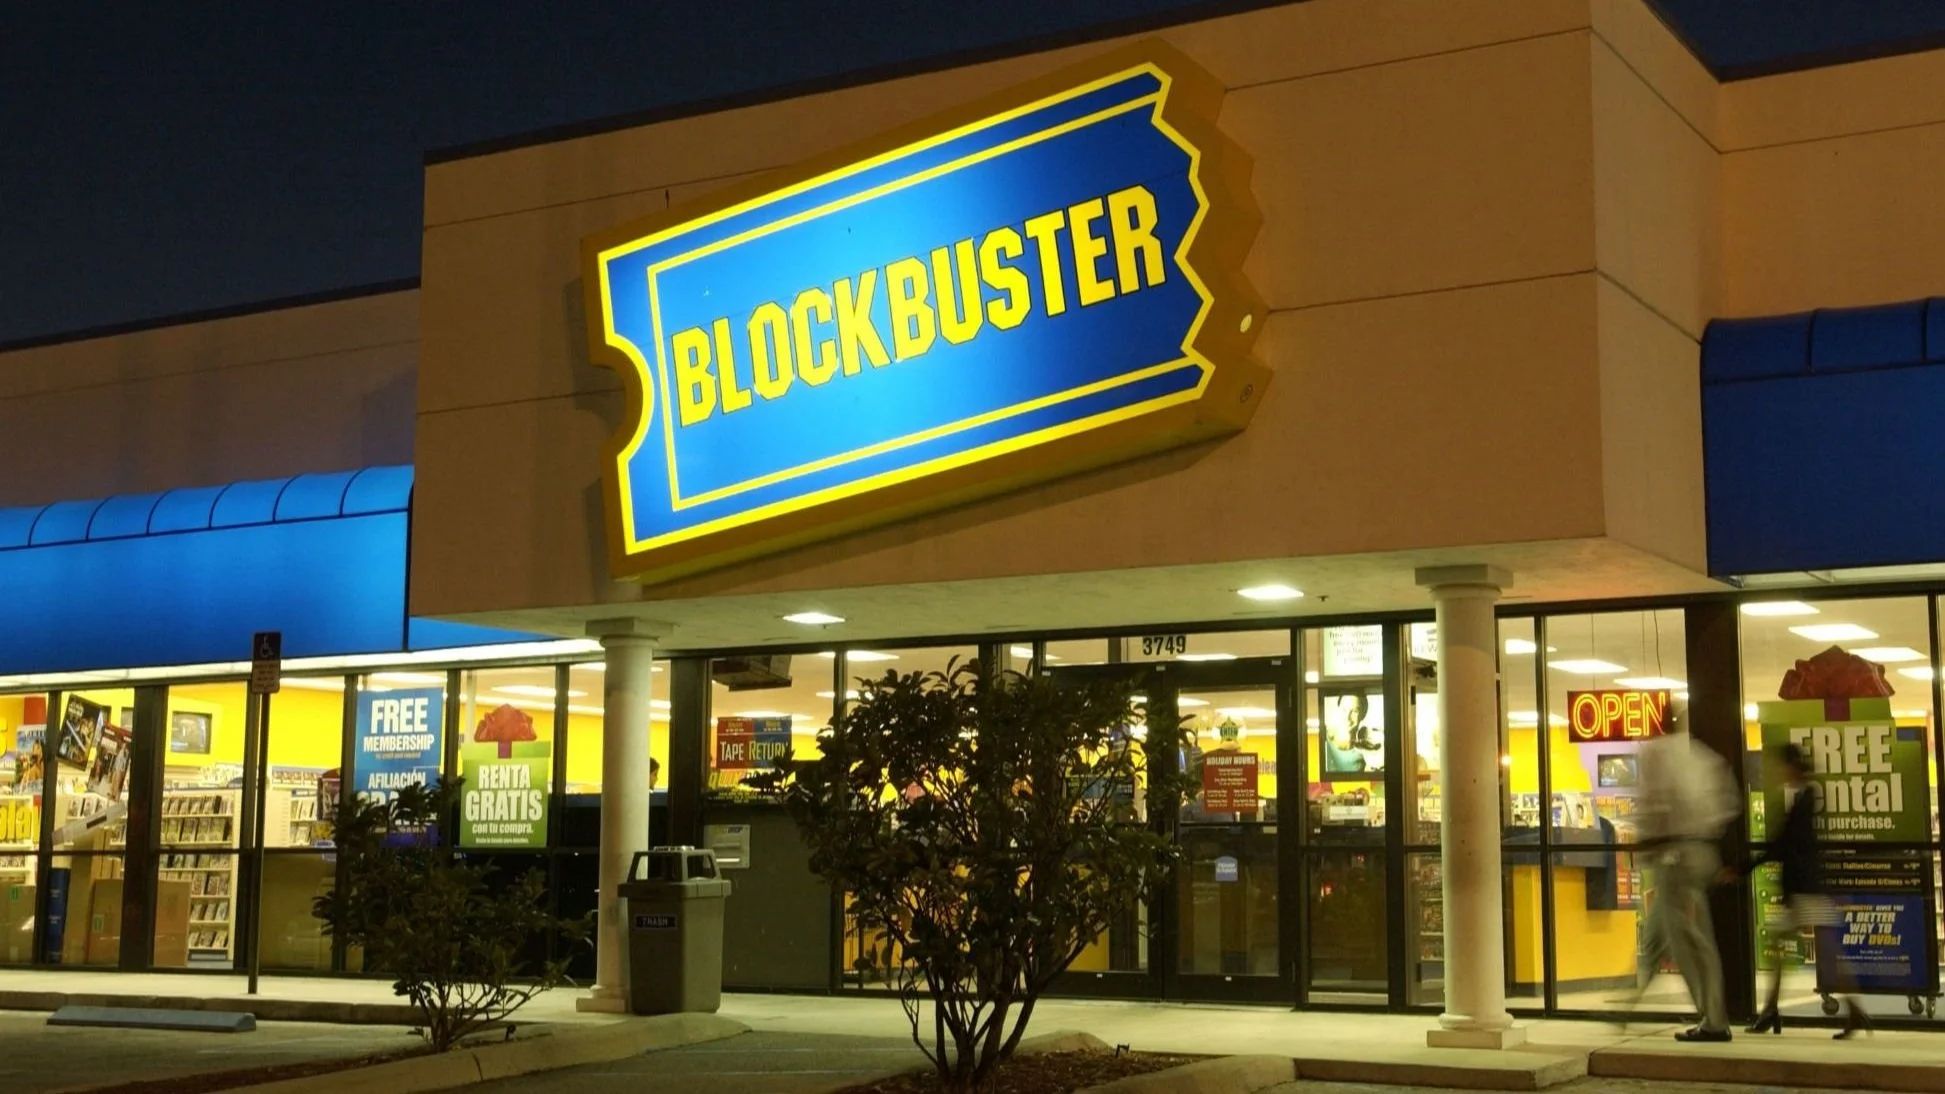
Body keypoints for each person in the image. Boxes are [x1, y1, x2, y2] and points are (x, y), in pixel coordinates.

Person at [1734, 742, 1867, 1039]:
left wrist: (1744, 868)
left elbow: (1783, 845)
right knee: (1812, 949)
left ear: (1791, 766)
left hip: (1802, 890)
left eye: (1782, 766)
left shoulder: (1803, 801)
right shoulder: (1806, 797)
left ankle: (1773, 1010)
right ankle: (1776, 1009)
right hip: (1807, 888)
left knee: (1812, 950)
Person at [1631, 718, 1739, 1042]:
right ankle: (1712, 1015)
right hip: (1705, 851)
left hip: (1676, 853)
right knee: (1691, 935)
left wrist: (1646, 844)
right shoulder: (1702, 755)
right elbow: (1729, 803)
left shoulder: (1656, 752)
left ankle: (1713, 1019)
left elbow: (1654, 803)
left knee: (1688, 942)